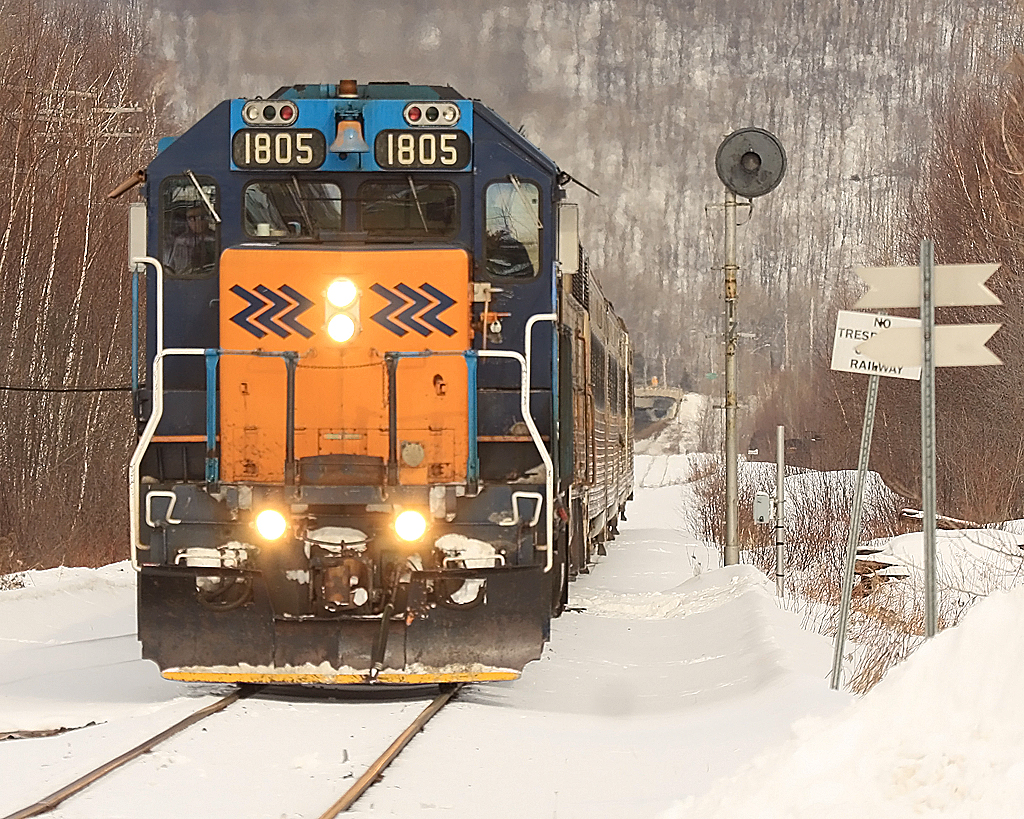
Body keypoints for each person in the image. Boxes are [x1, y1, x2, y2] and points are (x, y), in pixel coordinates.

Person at [167, 206, 217, 274]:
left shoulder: (216, 239)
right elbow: (171, 267)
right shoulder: (181, 241)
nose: (198, 221)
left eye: (201, 217)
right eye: (192, 218)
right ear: (187, 221)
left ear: (207, 219)